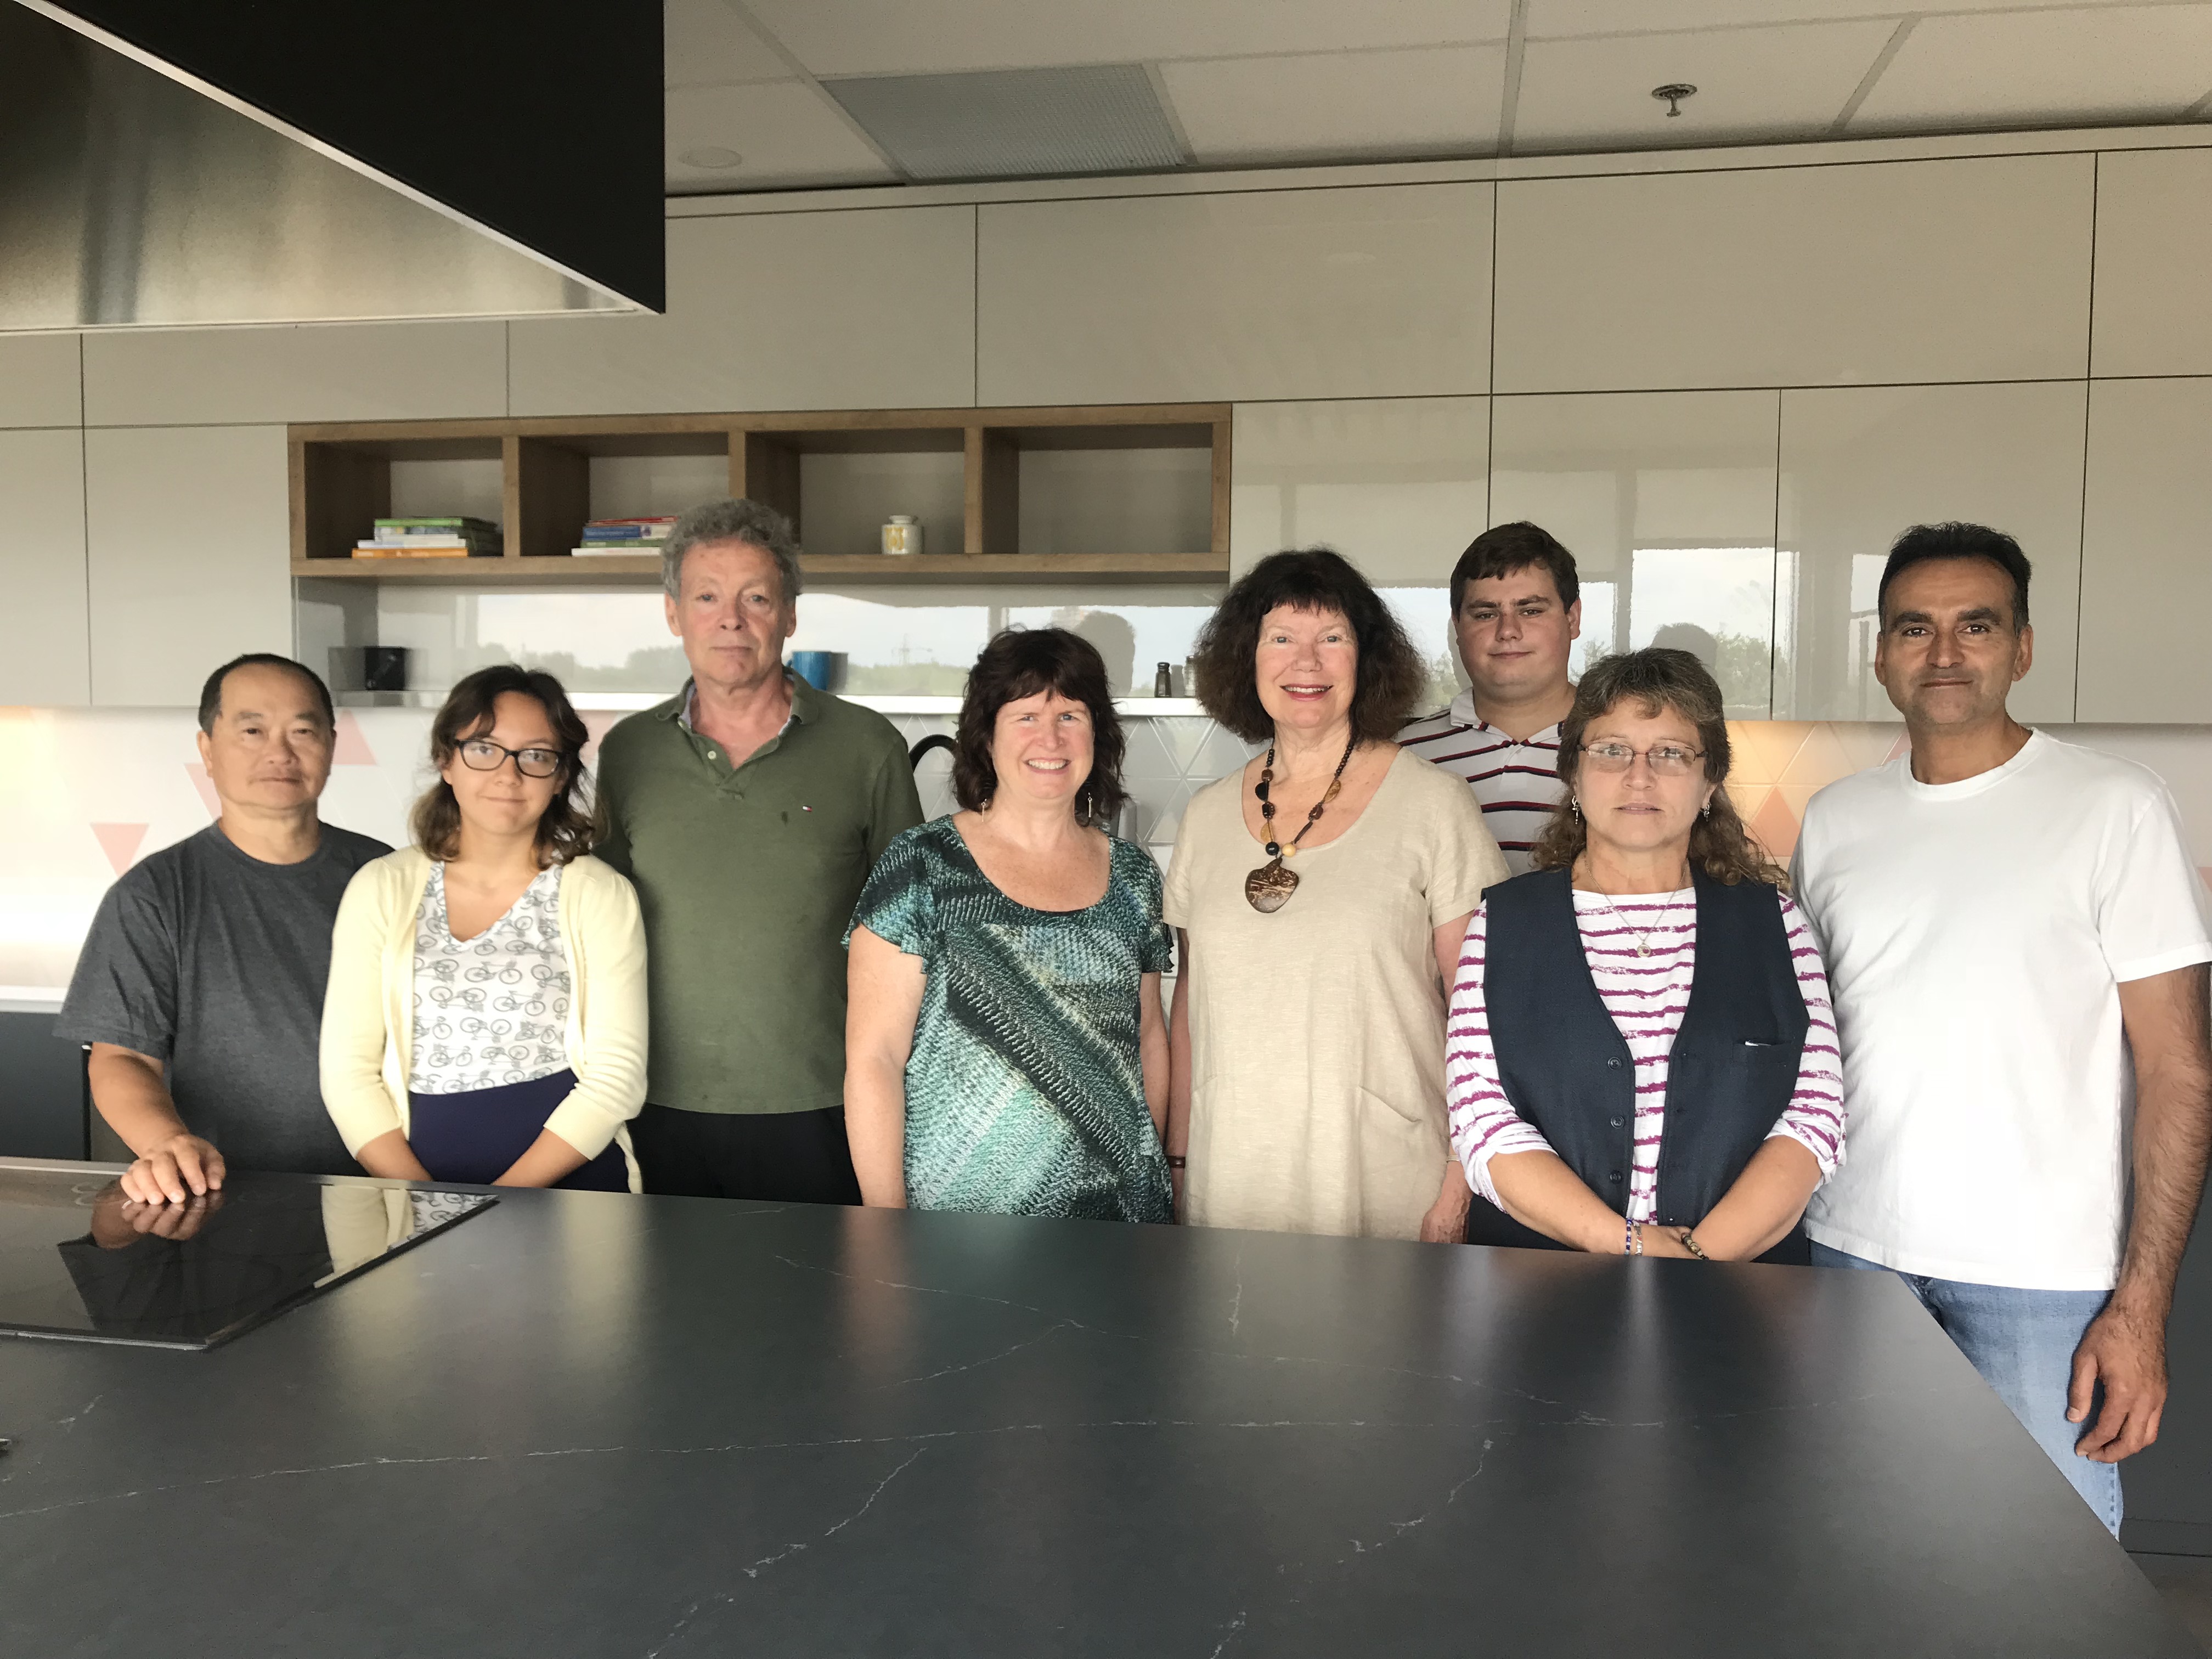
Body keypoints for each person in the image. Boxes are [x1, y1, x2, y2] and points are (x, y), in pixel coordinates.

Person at [1792, 522, 2212, 1537]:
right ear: (1881, 652)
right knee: (1867, 1553)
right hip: (1852, 1253)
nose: (1943, 652)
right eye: (1914, 628)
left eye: (1974, 625)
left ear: (2021, 646)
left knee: (2044, 1578)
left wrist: (2141, 1303)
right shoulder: (1835, 818)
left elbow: (2178, 1068)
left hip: (2041, 1276)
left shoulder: (2114, 806)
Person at [1447, 648, 1844, 1263]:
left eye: (1671, 753)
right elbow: (1483, 1121)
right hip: (1537, 1291)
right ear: (1573, 774)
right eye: (1611, 750)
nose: (1640, 776)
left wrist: (1697, 1262)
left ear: (1710, 781)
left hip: (1740, 1296)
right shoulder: (1503, 923)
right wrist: (1631, 1248)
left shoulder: (1776, 924)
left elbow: (1812, 1118)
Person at [1165, 548, 1507, 1242]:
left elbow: (1485, 1016)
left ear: (1367, 658)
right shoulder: (1204, 819)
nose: (1307, 663)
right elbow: (1191, 1006)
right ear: (1246, 658)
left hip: (1386, 1177)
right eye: (1282, 638)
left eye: (1333, 639)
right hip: (1232, 1178)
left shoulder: (1435, 807)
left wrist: (1458, 1180)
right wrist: (1177, 1160)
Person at [594, 498, 924, 1204]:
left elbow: (910, 935)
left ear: (791, 615)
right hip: (659, 1100)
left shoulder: (868, 749)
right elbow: (604, 919)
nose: (731, 619)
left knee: (821, 1308)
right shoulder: (629, 751)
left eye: (757, 598)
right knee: (673, 1310)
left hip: (824, 1103)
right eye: (707, 596)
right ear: (674, 612)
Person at [845, 628, 1173, 1221]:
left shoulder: (1133, 875)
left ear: (1098, 734)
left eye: (1071, 715)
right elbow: (874, 1061)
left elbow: (1148, 1038)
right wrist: (885, 1227)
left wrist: (1157, 1194)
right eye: (1025, 716)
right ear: (987, 736)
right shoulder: (922, 866)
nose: (1050, 738)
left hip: (1119, 1224)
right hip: (960, 1227)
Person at [57, 654, 390, 1205]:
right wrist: (167, 1144)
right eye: (252, 730)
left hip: (392, 1191)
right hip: (229, 1200)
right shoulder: (155, 895)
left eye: (302, 731)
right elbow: (122, 1057)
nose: (279, 753)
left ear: (332, 745)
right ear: (207, 750)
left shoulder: (388, 876)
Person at [321, 666, 647, 1190]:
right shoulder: (380, 887)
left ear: (562, 775)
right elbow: (348, 1075)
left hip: (572, 1187)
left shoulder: (598, 894)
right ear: (446, 761)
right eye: (483, 748)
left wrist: (499, 1204)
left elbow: (616, 1081)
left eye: (536, 755)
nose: (508, 775)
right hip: (414, 1193)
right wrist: (425, 1203)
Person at [1398, 522, 1582, 876]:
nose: (1508, 631)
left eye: (1530, 610)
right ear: (1457, 627)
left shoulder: (1630, 752)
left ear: (1572, 618)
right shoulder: (1402, 758)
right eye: (1485, 614)